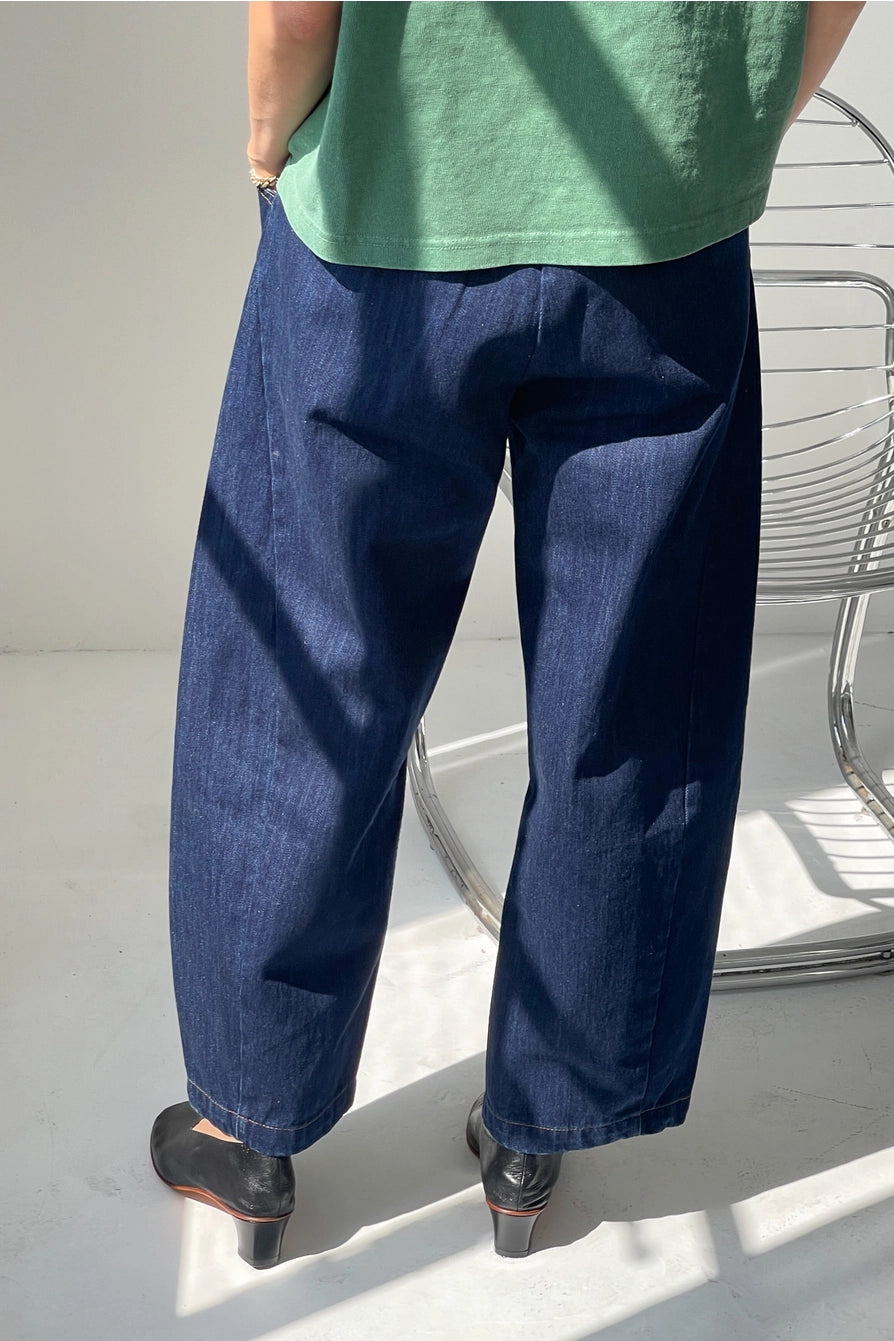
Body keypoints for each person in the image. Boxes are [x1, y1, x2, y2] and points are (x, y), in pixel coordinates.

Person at [150, 0, 867, 1268]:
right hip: (663, 227)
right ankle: (545, 1134)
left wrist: (272, 147)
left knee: (299, 680)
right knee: (633, 697)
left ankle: (252, 1134)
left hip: (386, 214)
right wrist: (724, 138)